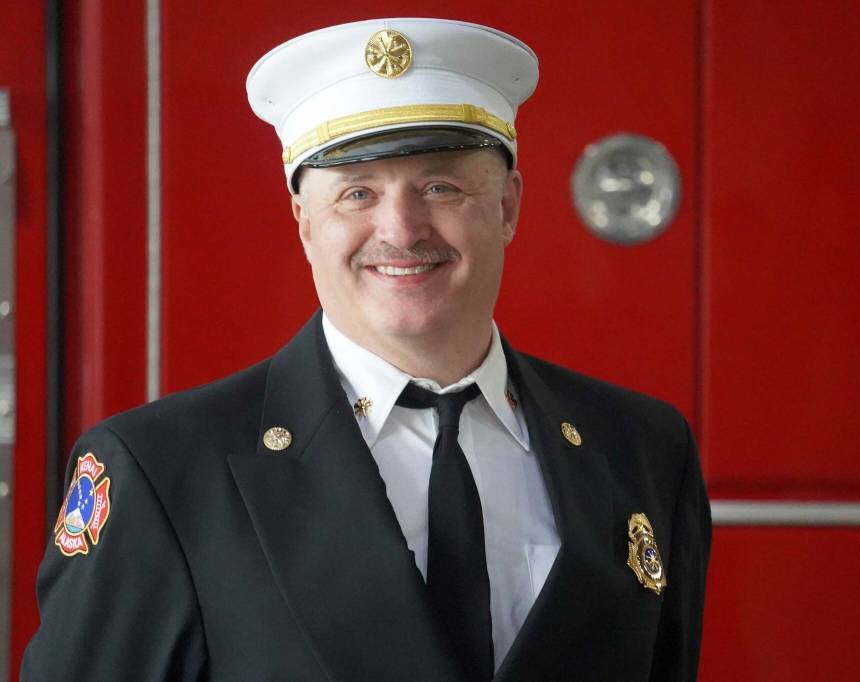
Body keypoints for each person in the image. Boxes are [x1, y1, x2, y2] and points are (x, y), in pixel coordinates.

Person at [22, 18, 710, 681]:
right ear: (304, 222)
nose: (401, 230)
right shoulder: (162, 474)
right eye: (357, 194)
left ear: (507, 206)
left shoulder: (643, 451)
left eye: (440, 186)